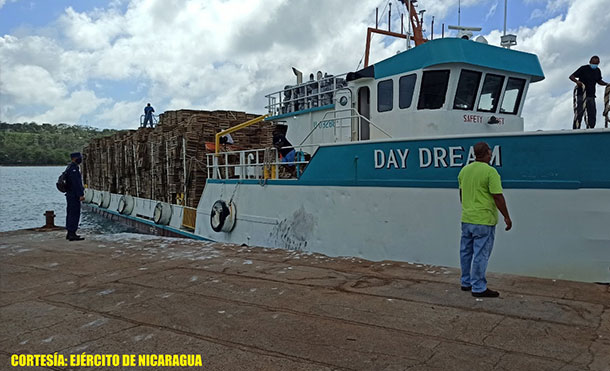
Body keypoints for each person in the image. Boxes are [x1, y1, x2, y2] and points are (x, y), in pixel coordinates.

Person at [457, 142, 512, 298]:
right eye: (489, 152)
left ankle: (465, 282)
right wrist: (506, 216)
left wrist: (468, 208)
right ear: (487, 153)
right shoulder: (490, 172)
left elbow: (462, 194)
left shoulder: (464, 171)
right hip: (484, 220)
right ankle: (479, 287)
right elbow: (497, 196)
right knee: (481, 254)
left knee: (465, 252)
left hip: (467, 218)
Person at [569, 56, 608, 129]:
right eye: (593, 63)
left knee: (592, 113)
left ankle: (591, 128)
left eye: (596, 63)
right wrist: (577, 81)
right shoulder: (583, 69)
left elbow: (599, 81)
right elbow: (571, 76)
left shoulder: (597, 71)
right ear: (590, 62)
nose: (595, 65)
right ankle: (576, 128)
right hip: (581, 94)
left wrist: (607, 84)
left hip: (591, 96)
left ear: (598, 63)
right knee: (579, 112)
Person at [65, 152, 85, 241]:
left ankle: (70, 232)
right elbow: (76, 183)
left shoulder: (69, 167)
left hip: (70, 194)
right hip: (73, 195)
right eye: (79, 157)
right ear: (74, 158)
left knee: (70, 213)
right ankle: (72, 233)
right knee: (74, 214)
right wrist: (80, 194)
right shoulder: (73, 169)